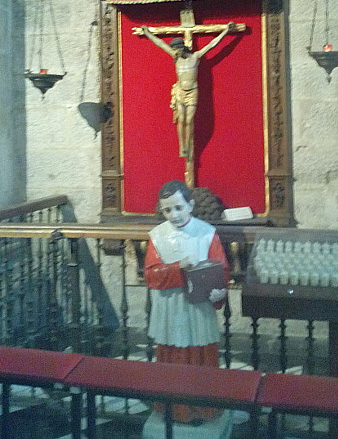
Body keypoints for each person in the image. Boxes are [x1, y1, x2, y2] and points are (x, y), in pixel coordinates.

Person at [144, 180, 229, 423]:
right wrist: (176, 268)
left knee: (201, 355)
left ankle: (204, 407)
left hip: (198, 308)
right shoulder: (158, 236)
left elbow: (221, 269)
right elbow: (151, 274)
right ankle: (174, 409)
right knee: (173, 355)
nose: (174, 215)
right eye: (167, 210)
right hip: (171, 306)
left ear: (190, 205)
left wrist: (218, 292)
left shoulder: (206, 233)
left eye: (179, 207)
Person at [141, 23, 234, 160]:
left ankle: (188, 144)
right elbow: (160, 44)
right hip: (180, 91)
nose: (175, 52)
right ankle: (182, 146)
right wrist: (148, 33)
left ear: (182, 48)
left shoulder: (195, 57)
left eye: (177, 49)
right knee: (182, 120)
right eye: (174, 50)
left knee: (190, 120)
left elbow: (213, 44)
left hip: (192, 92)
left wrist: (226, 31)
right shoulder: (176, 57)